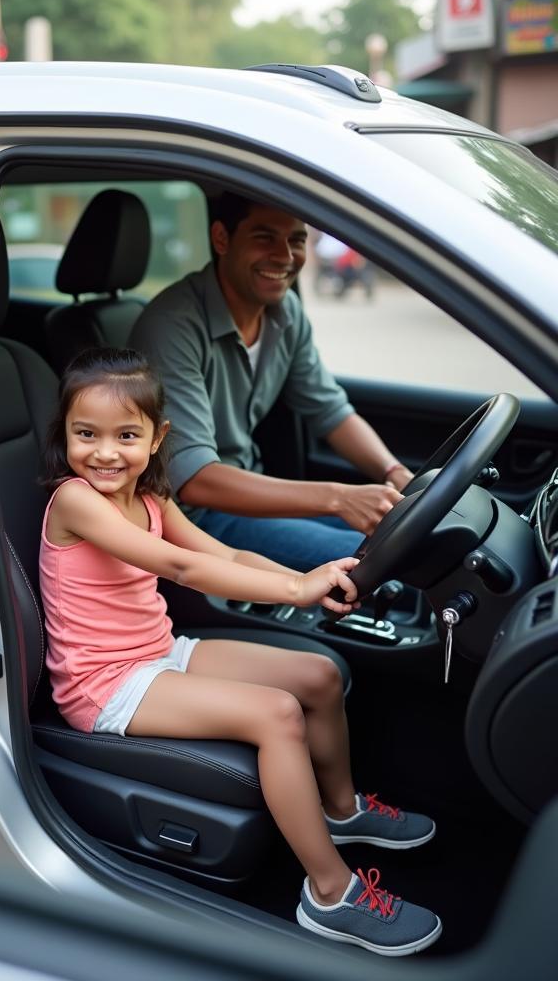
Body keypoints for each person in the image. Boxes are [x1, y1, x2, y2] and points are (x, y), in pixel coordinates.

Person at [38, 347, 441, 956]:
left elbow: (223, 556)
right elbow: (180, 565)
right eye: (85, 434)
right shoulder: (75, 500)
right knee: (276, 713)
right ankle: (331, 894)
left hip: (156, 653)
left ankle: (341, 807)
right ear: (63, 433)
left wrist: (312, 579)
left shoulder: (149, 498)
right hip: (102, 685)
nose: (104, 452)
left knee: (318, 674)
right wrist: (295, 588)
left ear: (156, 438)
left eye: (126, 435)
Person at [129, 192, 412, 572]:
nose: (284, 256)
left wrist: (394, 473)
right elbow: (195, 480)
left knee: (407, 536)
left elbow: (330, 411)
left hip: (250, 501)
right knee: (390, 561)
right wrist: (337, 497)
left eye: (296, 240)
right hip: (191, 524)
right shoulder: (173, 325)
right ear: (221, 239)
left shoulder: (285, 313)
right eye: (264, 237)